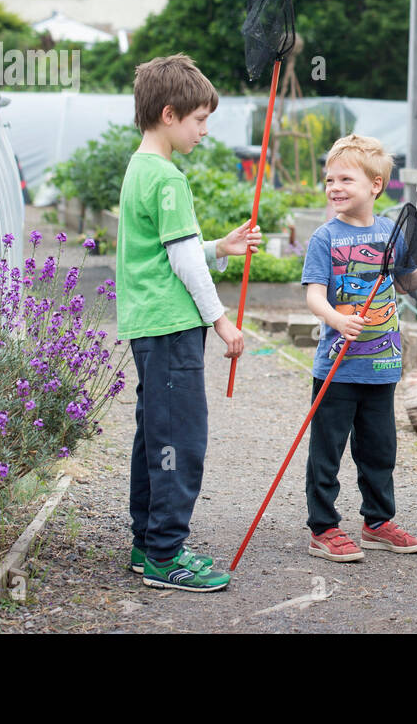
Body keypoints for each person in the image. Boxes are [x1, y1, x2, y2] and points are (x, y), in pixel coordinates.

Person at [117, 54, 262, 592]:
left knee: (155, 436)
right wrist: (221, 321)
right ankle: (165, 556)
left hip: (149, 325)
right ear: (171, 113)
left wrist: (218, 247)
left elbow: (170, 251)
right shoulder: (170, 179)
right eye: (200, 120)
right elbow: (182, 264)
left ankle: (147, 544)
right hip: (173, 326)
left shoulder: (140, 169)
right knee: (181, 438)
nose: (204, 131)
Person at [301, 134, 417, 561]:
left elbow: (408, 280)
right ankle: (323, 527)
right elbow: (314, 295)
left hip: (382, 365)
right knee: (326, 450)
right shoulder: (324, 239)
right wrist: (336, 318)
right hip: (338, 366)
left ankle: (377, 522)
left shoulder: (390, 232)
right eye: (329, 179)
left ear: (375, 185)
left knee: (379, 449)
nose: (334, 187)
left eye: (345, 179)